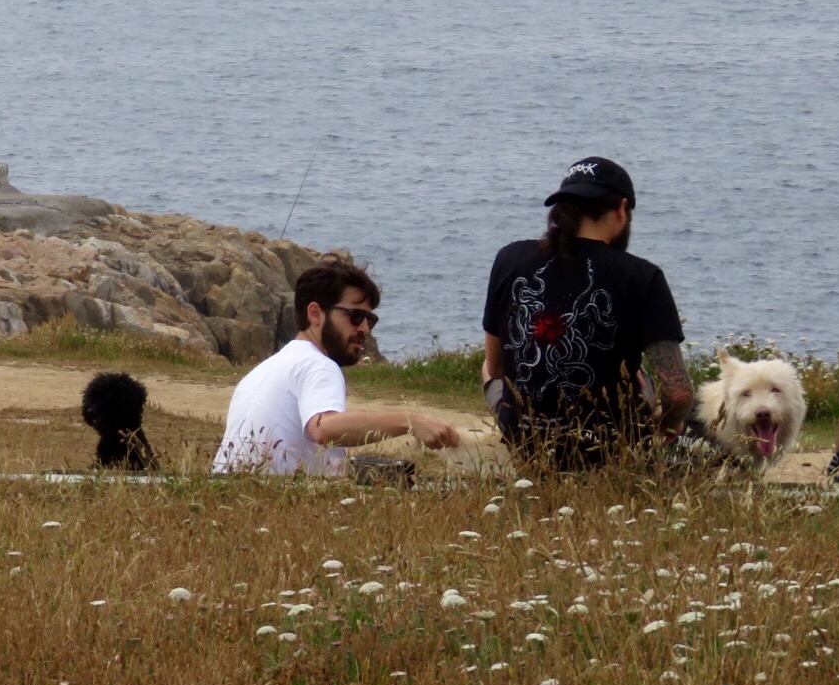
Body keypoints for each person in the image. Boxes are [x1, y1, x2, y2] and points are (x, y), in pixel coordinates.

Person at [481, 156, 692, 468]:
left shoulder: (509, 258)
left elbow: (496, 367)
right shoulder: (642, 276)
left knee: (486, 370)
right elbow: (679, 394)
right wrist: (663, 428)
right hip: (609, 451)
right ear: (622, 209)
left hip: (526, 443)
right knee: (640, 375)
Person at [213, 258, 460, 476]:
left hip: (231, 489)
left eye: (370, 319)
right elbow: (323, 428)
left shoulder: (263, 371)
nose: (364, 329)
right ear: (315, 314)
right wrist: (409, 421)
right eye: (355, 316)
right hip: (273, 498)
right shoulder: (318, 365)